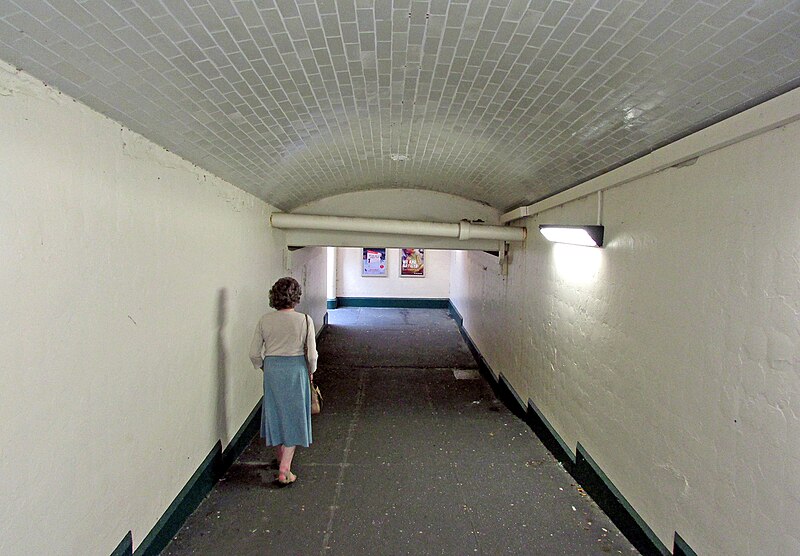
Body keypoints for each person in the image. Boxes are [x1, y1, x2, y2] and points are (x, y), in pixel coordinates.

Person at [249, 277, 318, 485]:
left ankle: (280, 458)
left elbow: (253, 353)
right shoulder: (304, 320)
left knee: (276, 412)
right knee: (295, 415)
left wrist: (263, 366)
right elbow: (313, 355)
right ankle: (285, 468)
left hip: (272, 370)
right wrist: (311, 371)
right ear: (296, 297)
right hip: (296, 369)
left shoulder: (264, 320)